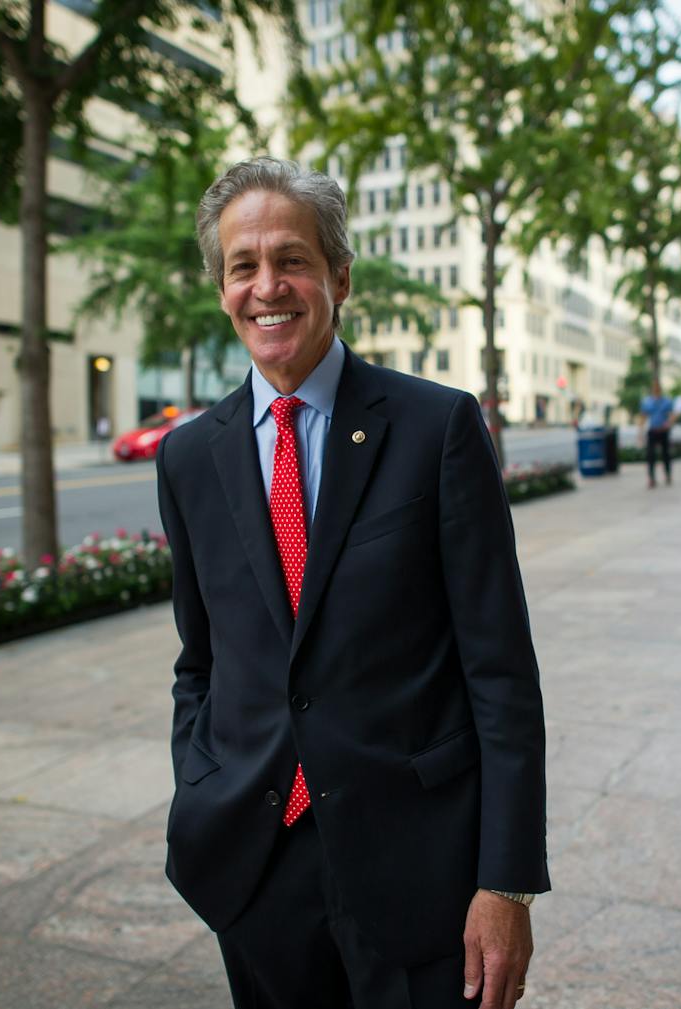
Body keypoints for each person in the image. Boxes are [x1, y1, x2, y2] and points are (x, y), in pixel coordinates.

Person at [155, 157, 548, 1009]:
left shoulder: (438, 426)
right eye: (242, 266)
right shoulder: (188, 456)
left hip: (423, 874)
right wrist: (201, 783)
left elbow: (501, 672)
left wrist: (506, 881)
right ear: (222, 288)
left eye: (291, 259)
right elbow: (203, 660)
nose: (268, 287)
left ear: (338, 274)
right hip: (257, 869)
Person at [637, 378, 678, 488]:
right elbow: (643, 417)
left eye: (657, 387)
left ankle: (668, 475)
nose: (656, 389)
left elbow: (672, 415)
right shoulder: (647, 401)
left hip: (663, 431)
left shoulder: (667, 401)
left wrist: (669, 423)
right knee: (651, 456)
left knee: (666, 455)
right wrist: (640, 433)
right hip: (653, 431)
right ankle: (651, 478)